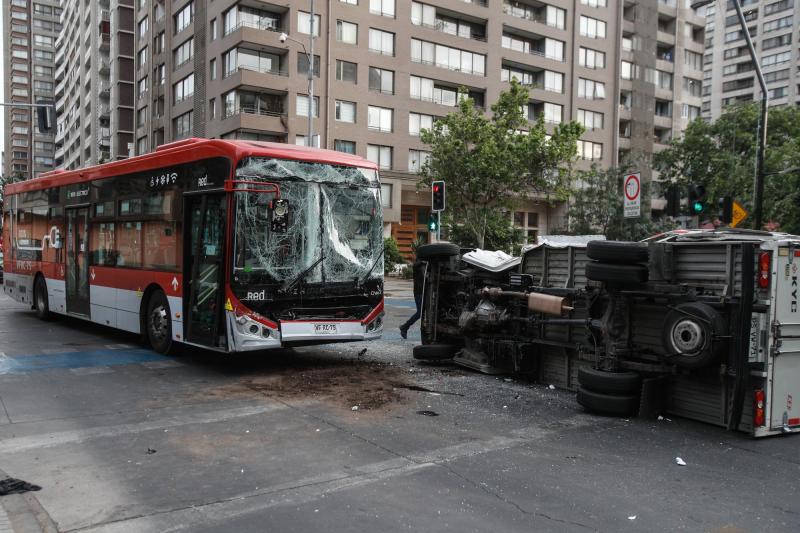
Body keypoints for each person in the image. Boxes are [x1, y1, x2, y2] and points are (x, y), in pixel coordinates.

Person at [399, 257, 426, 339]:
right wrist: (423, 261)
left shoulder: (425, 265)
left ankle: (405, 327)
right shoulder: (418, 265)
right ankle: (405, 326)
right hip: (419, 292)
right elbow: (416, 264)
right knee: (420, 313)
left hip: (425, 292)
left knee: (423, 313)